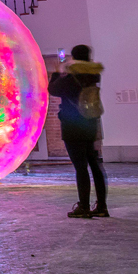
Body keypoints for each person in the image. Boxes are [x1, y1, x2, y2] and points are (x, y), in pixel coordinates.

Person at [48, 45, 107, 218]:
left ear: (74, 57)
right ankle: (102, 207)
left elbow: (53, 90)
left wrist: (57, 74)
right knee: (95, 165)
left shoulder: (72, 76)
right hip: (90, 122)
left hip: (73, 125)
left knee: (80, 167)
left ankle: (83, 207)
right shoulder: (93, 74)